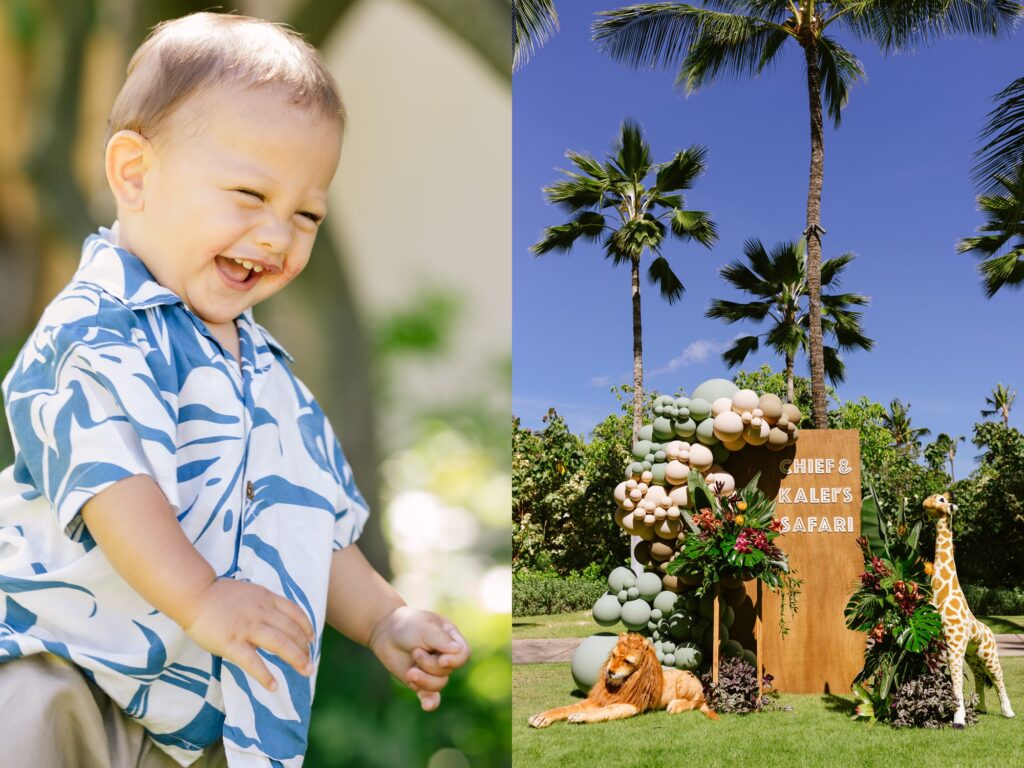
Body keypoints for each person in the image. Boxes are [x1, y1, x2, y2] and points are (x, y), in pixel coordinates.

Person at [0, 12, 468, 768]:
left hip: (192, 724)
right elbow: (112, 484)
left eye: (306, 214)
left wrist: (384, 618)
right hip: (61, 672)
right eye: (250, 195)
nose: (278, 236)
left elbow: (311, 520)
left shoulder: (267, 372)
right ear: (135, 174)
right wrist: (203, 598)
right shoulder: (99, 328)